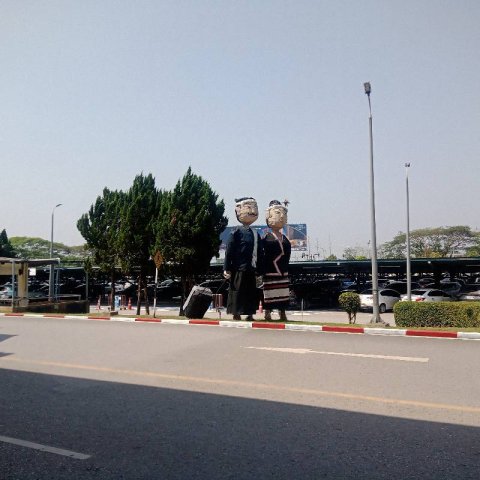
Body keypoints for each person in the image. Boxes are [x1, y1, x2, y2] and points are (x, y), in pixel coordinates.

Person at [224, 197, 263, 320]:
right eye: (248, 207)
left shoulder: (255, 233)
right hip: (238, 268)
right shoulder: (236, 232)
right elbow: (229, 251)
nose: (252, 210)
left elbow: (260, 253)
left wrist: (260, 270)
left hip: (251, 268)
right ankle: (236, 313)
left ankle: (250, 313)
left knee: (251, 292)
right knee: (238, 291)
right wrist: (226, 268)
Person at [262, 200, 291, 321]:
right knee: (269, 293)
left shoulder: (285, 238)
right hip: (270, 270)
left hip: (282, 270)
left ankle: (282, 312)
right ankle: (267, 312)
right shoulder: (266, 237)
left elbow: (288, 254)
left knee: (283, 293)